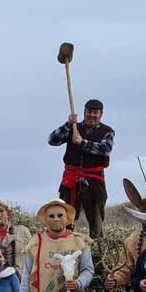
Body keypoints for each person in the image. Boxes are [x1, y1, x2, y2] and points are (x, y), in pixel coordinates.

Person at [48, 99, 115, 236]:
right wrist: (68, 124)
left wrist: (82, 142)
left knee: (96, 223)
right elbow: (52, 140)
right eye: (89, 112)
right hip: (70, 180)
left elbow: (105, 149)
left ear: (100, 114)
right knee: (64, 219)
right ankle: (65, 247)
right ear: (84, 112)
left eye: (95, 112)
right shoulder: (73, 128)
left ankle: (97, 250)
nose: (92, 115)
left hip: (95, 182)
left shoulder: (107, 131)